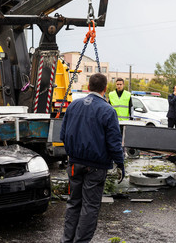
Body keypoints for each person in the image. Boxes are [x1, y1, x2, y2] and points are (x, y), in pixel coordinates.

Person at [60, 73, 125, 243]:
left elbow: (63, 135)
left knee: (74, 203)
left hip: (74, 164)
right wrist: (120, 164)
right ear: (105, 89)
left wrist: (73, 154)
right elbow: (114, 143)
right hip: (96, 167)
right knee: (90, 207)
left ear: (88, 87)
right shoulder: (108, 110)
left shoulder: (73, 106)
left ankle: (67, 240)